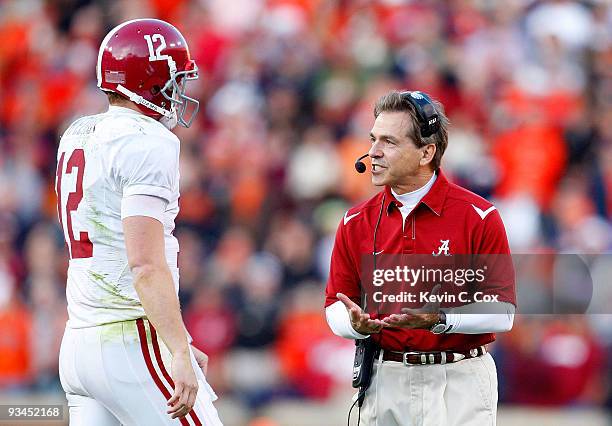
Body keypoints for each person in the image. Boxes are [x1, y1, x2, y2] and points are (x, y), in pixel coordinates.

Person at [55, 18, 223, 425]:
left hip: (78, 342)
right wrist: (177, 350)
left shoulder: (77, 132)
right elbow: (144, 264)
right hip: (127, 339)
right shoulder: (148, 140)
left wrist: (177, 337)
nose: (179, 91)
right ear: (149, 80)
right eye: (173, 79)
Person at [325, 90, 516, 425]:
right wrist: (353, 325)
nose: (373, 152)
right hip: (386, 376)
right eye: (373, 139)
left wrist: (439, 317)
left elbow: (503, 313)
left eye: (389, 142)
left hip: (461, 378)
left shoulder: (479, 216)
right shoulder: (355, 222)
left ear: (427, 151)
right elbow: (334, 304)